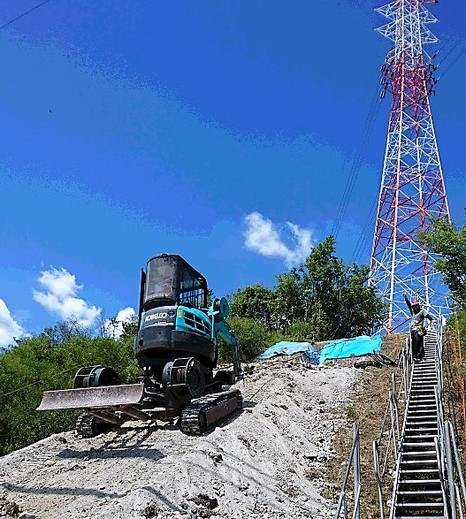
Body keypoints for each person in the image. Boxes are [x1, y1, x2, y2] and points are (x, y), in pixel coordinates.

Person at [403, 293, 434, 361]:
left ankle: (419, 356)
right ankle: (414, 355)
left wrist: (431, 320)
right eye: (413, 306)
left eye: (416, 306)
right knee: (414, 341)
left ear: (418, 306)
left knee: (419, 341)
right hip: (413, 329)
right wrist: (406, 298)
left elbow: (427, 315)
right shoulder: (413, 312)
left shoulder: (422, 311)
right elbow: (408, 304)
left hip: (419, 329)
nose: (415, 307)